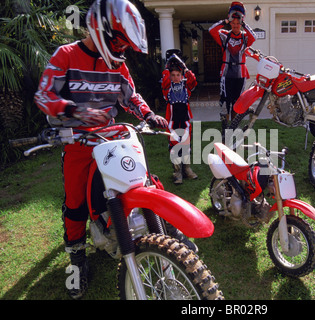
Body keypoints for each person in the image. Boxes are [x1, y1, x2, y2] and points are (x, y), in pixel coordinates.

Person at [34, 0, 168, 299]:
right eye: (119, 40)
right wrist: (74, 111)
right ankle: (78, 259)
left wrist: (148, 115)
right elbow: (44, 95)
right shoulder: (65, 55)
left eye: (126, 43)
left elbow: (130, 96)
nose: (122, 49)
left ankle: (164, 237)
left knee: (141, 183)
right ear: (100, 29)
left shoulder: (118, 64)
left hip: (113, 138)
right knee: (76, 205)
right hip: (78, 142)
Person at [209, 1, 256, 136]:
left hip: (240, 74)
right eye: (233, 23)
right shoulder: (224, 35)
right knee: (224, 102)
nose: (235, 26)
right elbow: (212, 30)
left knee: (237, 102)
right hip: (226, 72)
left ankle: (233, 128)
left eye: (238, 23)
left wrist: (244, 24)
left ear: (241, 23)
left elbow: (254, 37)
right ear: (230, 22)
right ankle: (225, 128)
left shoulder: (244, 37)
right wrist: (224, 21)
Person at [161, 51, 198, 185]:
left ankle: (187, 169)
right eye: (173, 75)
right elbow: (164, 79)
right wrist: (167, 66)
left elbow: (193, 81)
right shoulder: (167, 88)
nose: (176, 77)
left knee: (186, 144)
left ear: (181, 76)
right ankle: (177, 172)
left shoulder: (186, 86)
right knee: (174, 145)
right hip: (172, 121)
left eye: (178, 75)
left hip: (185, 120)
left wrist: (185, 67)